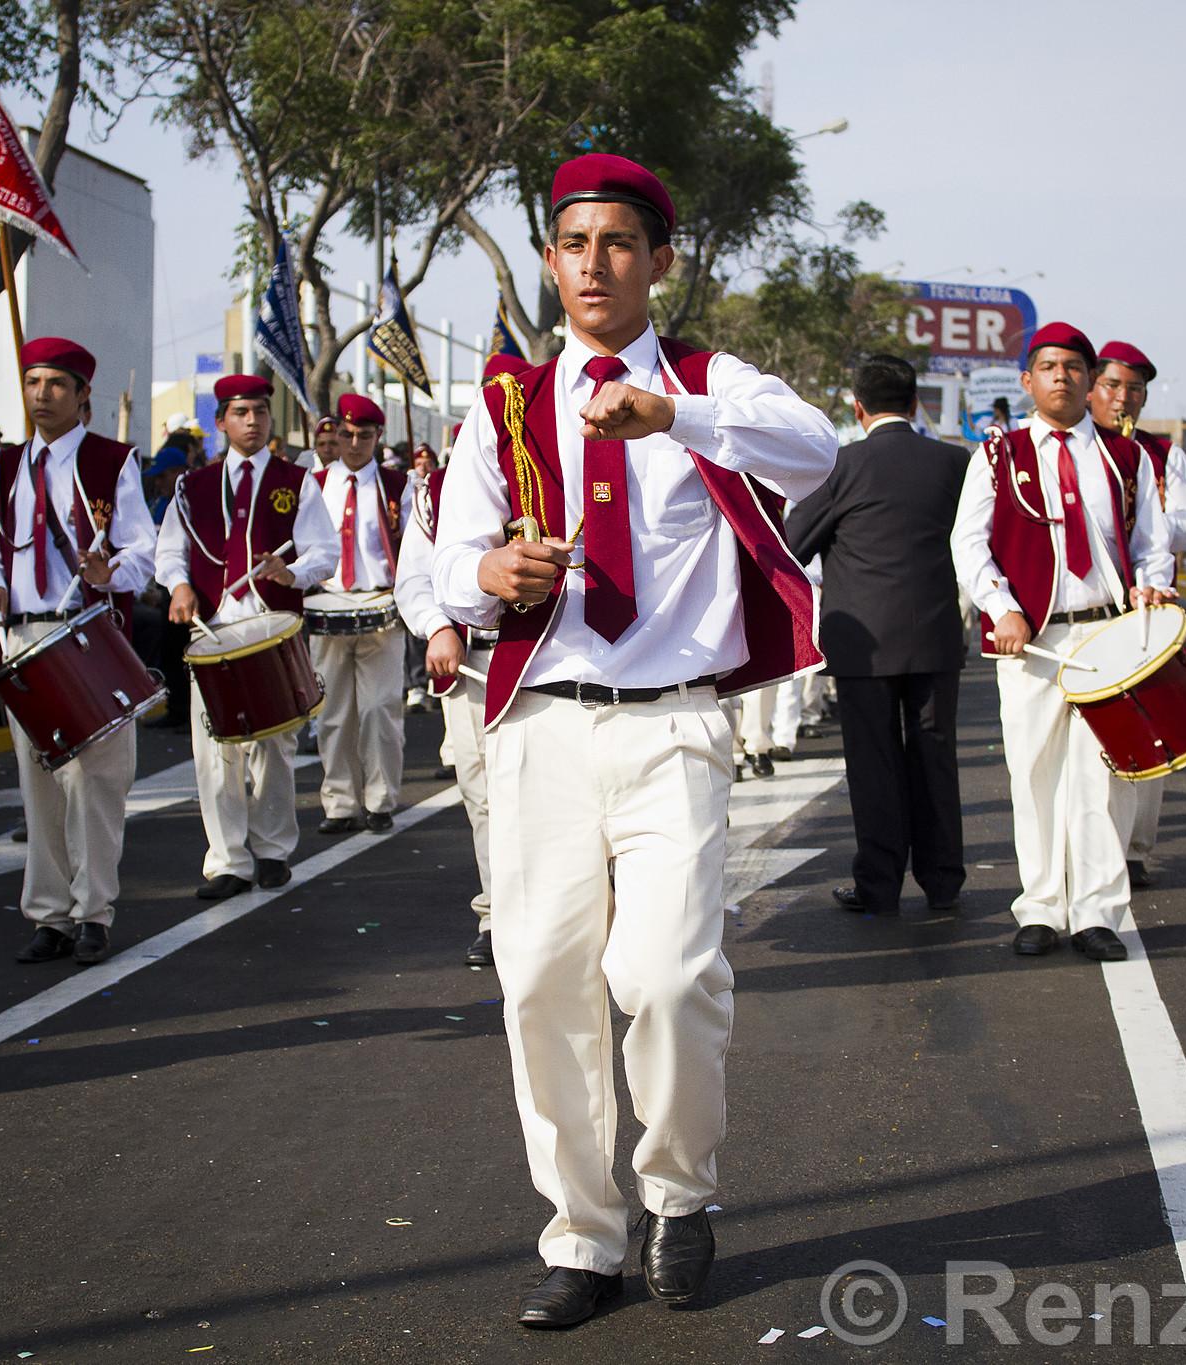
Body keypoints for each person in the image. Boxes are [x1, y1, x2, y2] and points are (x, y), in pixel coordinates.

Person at [431, 152, 835, 1327]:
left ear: (658, 261)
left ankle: (678, 1191)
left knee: (666, 976)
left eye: (617, 243)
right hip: (540, 726)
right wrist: (484, 576)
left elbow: (814, 450)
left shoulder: (708, 383)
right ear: (550, 263)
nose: (593, 264)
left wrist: (674, 416)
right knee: (540, 986)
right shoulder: (506, 402)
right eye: (574, 244)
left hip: (672, 726)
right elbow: (441, 561)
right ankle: (581, 1234)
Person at [951, 321, 1175, 964]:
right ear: (1028, 380)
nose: (1062, 377)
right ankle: (1042, 907)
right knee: (1035, 774)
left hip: (1110, 633)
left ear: (1091, 380)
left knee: (1106, 777)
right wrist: (1001, 608)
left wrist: (1153, 584)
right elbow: (968, 543)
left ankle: (1099, 912)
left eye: (1074, 368)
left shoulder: (1126, 457)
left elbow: (1152, 543)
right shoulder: (998, 455)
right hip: (1032, 642)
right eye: (1049, 367)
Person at [0, 336, 157, 966]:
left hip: (88, 633)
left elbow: (144, 549)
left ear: (81, 395)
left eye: (54, 384)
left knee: (96, 781)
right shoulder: (3, 466)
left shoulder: (111, 462)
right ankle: (48, 915)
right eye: (32, 382)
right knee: (39, 781)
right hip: (22, 635)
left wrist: (110, 571)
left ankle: (93, 911)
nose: (41, 395)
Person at [786, 352, 967, 916]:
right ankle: (943, 881)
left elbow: (793, 544)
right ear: (914, 404)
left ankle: (880, 884)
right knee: (935, 756)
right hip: (936, 636)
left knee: (873, 763)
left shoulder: (841, 466)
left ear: (857, 407)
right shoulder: (954, 462)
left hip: (863, 644)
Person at [155, 374, 339, 899]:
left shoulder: (295, 480)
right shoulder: (192, 486)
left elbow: (324, 552)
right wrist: (179, 585)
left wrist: (292, 573)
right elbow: (169, 551)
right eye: (240, 413)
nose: (252, 421)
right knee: (216, 748)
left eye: (259, 411)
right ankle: (228, 860)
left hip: (271, 626)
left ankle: (273, 849)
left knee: (275, 744)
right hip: (212, 630)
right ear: (220, 422)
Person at [1090, 340, 1186, 886]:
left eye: (1134, 389)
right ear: (1092, 387)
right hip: (1090, 603)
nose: (1123, 398)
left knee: (1149, 724)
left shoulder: (1161, 453)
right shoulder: (1074, 446)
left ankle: (1136, 847)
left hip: (1146, 604)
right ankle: (1094, 848)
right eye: (1113, 385)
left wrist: (1150, 516)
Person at [395, 427, 502, 965]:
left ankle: (580, 918)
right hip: (471, 658)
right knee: (482, 794)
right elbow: (414, 576)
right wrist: (437, 626)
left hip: (552, 658)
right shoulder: (432, 490)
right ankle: (498, 917)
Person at [309, 392, 407, 834]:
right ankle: (340, 802)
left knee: (379, 709)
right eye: (345, 435)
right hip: (328, 605)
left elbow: (413, 549)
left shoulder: (398, 486)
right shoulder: (313, 485)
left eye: (363, 436)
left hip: (380, 604)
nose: (353, 444)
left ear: (377, 437)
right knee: (332, 711)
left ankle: (381, 798)